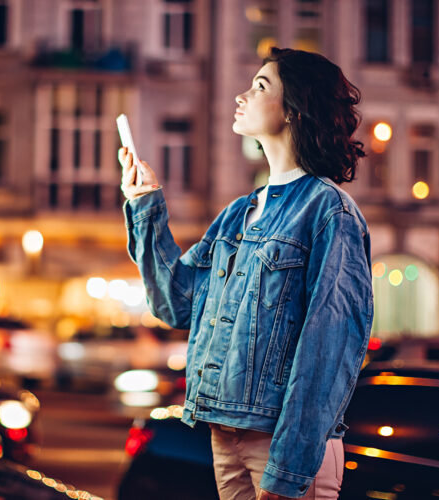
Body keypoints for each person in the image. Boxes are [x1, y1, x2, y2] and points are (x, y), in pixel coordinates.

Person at [119, 47, 374, 500]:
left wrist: (289, 467)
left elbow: (329, 349)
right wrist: (145, 205)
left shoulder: (329, 212)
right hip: (225, 431)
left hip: (284, 446)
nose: (242, 95)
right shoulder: (240, 213)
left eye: (260, 86)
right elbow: (176, 304)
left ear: (294, 110)